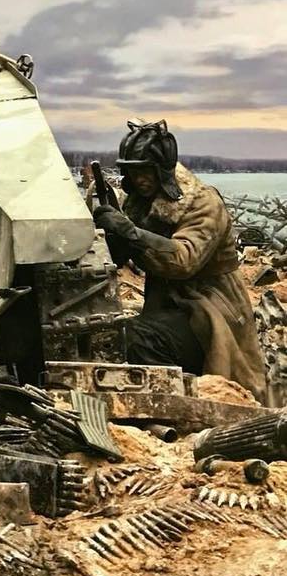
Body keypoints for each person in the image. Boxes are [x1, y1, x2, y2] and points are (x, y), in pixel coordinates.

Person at [93, 119, 267, 403]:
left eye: (146, 171)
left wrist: (132, 233)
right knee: (112, 336)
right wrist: (112, 236)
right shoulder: (141, 203)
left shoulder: (203, 203)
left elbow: (184, 260)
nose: (140, 179)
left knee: (138, 338)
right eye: (134, 172)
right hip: (168, 307)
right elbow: (126, 258)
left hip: (208, 310)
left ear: (162, 169)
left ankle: (170, 407)